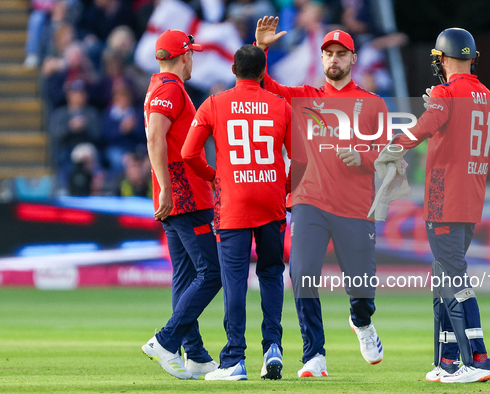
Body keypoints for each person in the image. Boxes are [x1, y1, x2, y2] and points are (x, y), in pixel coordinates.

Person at [255, 16, 387, 377]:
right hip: (308, 201)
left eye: (341, 53)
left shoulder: (373, 104)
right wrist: (262, 48)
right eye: (328, 53)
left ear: (352, 59)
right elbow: (264, 84)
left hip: (356, 207)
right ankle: (314, 355)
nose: (333, 59)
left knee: (361, 289)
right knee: (303, 274)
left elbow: (389, 156)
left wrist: (362, 157)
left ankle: (361, 321)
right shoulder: (305, 98)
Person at [375, 28, 490, 383]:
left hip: (444, 201)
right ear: (472, 59)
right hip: (471, 201)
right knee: (443, 279)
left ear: (442, 59)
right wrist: (440, 105)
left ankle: (477, 361)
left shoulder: (445, 93)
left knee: (453, 280)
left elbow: (423, 129)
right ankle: (446, 361)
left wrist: (389, 147)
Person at [181, 45, 291, 381]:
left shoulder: (214, 104)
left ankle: (234, 359)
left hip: (233, 203)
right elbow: (300, 159)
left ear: (233, 70)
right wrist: (283, 187)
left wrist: (213, 176)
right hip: (270, 201)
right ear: (262, 73)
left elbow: (188, 152)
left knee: (234, 281)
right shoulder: (281, 106)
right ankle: (273, 347)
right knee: (271, 274)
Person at [140, 29, 222, 380]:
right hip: (185, 195)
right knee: (212, 273)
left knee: (186, 275)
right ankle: (165, 340)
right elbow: (155, 136)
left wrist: (163, 188)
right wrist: (168, 189)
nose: (194, 60)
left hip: (177, 194)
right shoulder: (171, 89)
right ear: (184, 55)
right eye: (193, 54)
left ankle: (198, 355)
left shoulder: (157, 86)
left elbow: (159, 135)